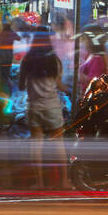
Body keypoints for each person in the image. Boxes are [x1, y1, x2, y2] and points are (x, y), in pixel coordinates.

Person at [18, 36, 70, 190]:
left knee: (37, 146)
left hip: (34, 107)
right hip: (52, 107)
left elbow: (21, 86)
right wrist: (67, 88)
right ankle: (65, 181)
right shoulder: (55, 61)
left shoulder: (26, 61)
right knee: (59, 145)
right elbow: (60, 85)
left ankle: (39, 182)